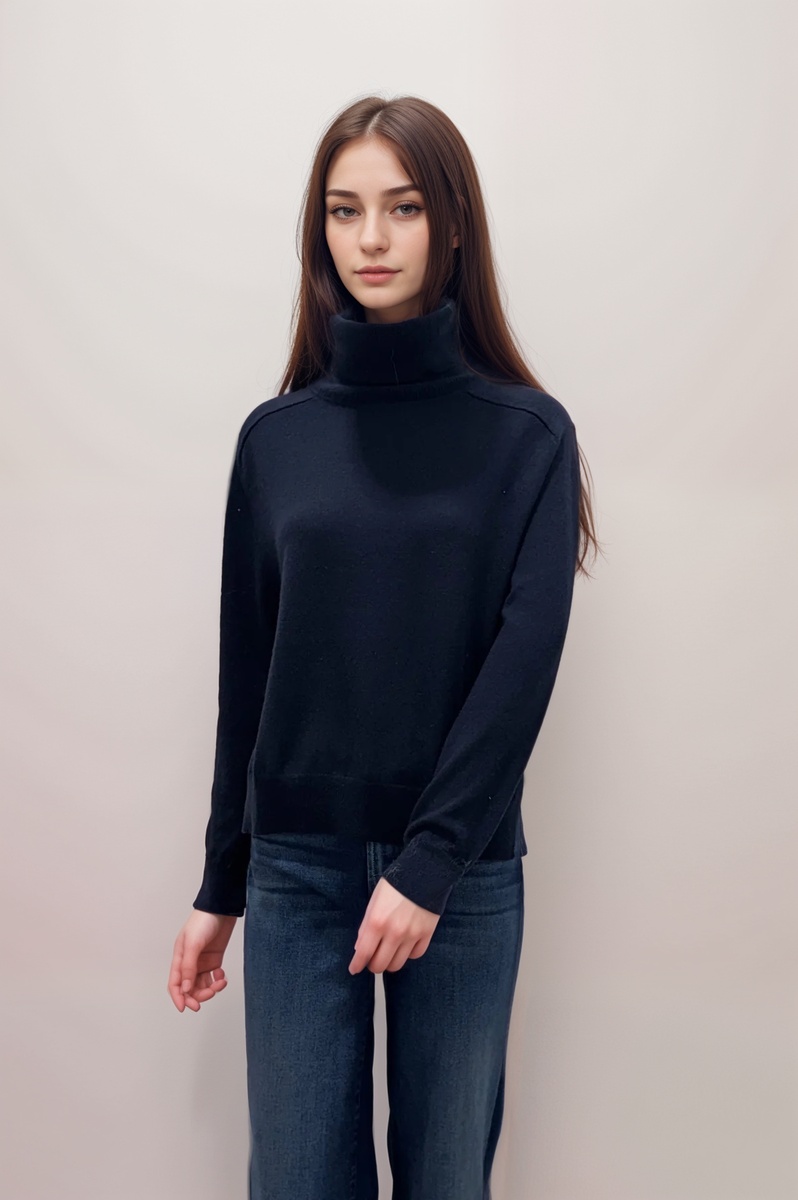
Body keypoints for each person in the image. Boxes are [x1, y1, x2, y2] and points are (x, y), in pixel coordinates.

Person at [167, 93, 599, 1200]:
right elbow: (247, 675)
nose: (370, 238)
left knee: (446, 1178)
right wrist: (221, 881)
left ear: (450, 225)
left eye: (402, 208)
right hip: (297, 868)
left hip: (458, 870)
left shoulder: (528, 435)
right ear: (318, 227)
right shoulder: (278, 439)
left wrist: (428, 863)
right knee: (296, 1180)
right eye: (343, 209)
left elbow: (520, 670)